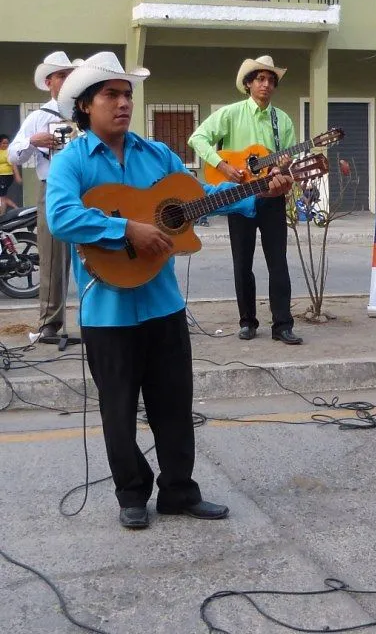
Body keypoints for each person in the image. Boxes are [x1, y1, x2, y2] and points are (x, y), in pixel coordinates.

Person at [45, 52, 294, 529]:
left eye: (127, 95)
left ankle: (179, 490)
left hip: (163, 304)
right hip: (107, 310)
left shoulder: (156, 154)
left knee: (174, 405)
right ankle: (131, 494)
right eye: (111, 95)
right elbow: (61, 217)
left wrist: (259, 190)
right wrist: (127, 231)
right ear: (84, 106)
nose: (123, 104)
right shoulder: (71, 163)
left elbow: (198, 196)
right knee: (118, 410)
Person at [188, 55, 302, 345]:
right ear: (248, 84)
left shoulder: (283, 121)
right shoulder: (231, 114)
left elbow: (290, 162)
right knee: (243, 263)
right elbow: (197, 138)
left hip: (271, 198)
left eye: (270, 80)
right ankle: (247, 322)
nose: (266, 85)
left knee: (278, 263)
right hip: (238, 197)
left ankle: (282, 325)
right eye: (260, 79)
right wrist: (222, 165)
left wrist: (283, 167)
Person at [7, 51, 79, 343]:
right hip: (54, 186)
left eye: (70, 75)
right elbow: (14, 153)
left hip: (89, 187)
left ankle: (104, 319)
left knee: (102, 253)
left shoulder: (84, 112)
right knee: (52, 254)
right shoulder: (40, 117)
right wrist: (32, 141)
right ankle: (50, 324)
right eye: (61, 75)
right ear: (49, 82)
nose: (66, 80)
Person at [0, 134, 21, 212]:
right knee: (2, 197)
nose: (6, 145)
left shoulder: (8, 152)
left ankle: (2, 215)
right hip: (0, 177)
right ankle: (16, 209)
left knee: (2, 196)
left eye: (7, 143)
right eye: (3, 143)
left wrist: (17, 176)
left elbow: (13, 165)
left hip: (6, 177)